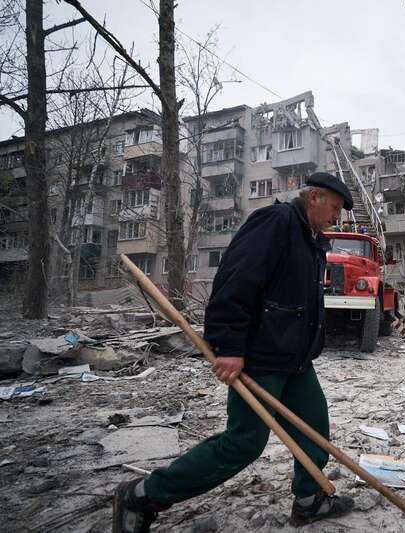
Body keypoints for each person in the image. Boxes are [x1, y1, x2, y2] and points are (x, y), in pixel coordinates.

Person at [112, 172, 356, 532]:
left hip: (296, 360)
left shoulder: (312, 240)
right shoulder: (276, 222)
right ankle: (143, 496)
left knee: (314, 426)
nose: (338, 216)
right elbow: (236, 279)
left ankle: (310, 499)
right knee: (243, 444)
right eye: (335, 207)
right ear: (314, 198)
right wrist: (228, 346)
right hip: (262, 357)